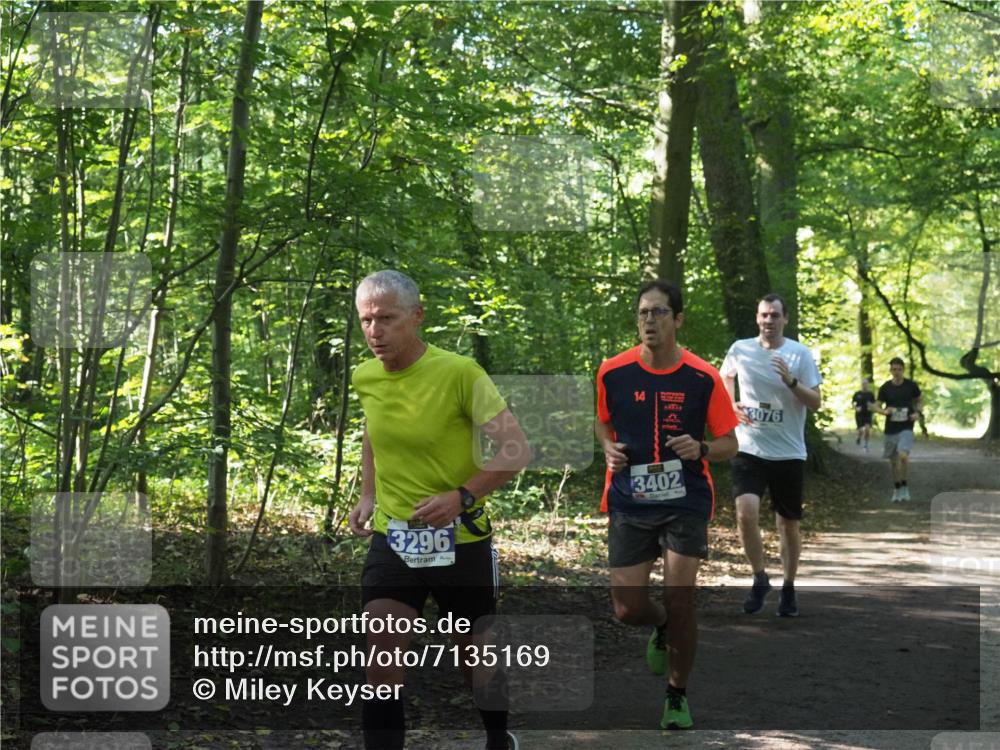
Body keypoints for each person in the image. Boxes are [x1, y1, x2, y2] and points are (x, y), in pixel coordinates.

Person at [348, 270, 531, 750]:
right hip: (395, 536)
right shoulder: (365, 376)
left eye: (386, 318)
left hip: (461, 539)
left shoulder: (459, 373)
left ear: (417, 316)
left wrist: (462, 496)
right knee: (381, 652)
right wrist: (368, 493)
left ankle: (497, 738)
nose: (374, 331)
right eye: (366, 320)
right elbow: (374, 430)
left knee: (475, 656)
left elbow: (515, 449)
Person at [596, 279, 738, 730]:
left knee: (682, 599)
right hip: (629, 500)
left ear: (677, 319)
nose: (648, 321)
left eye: (658, 313)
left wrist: (701, 448)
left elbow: (730, 444)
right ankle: (658, 625)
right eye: (642, 313)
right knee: (627, 609)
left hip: (686, 500)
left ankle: (676, 693)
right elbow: (603, 422)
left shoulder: (703, 377)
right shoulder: (612, 372)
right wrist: (607, 448)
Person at [720, 294, 822, 618]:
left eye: (775, 315)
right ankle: (760, 578)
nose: (769, 321)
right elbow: (725, 377)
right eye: (764, 315)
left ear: (785, 319)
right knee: (745, 513)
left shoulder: (799, 354)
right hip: (750, 447)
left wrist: (791, 382)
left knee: (787, 525)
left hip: (789, 453)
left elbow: (816, 402)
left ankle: (789, 586)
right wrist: (731, 404)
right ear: (757, 318)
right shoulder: (741, 348)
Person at [875, 357, 923, 503]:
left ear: (903, 370)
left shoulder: (911, 386)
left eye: (899, 369)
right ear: (890, 370)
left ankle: (905, 487)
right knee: (894, 462)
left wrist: (918, 413)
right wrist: (884, 412)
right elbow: (876, 406)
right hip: (890, 429)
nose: (897, 372)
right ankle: (897, 488)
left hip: (906, 426)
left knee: (903, 456)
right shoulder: (885, 388)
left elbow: (920, 400)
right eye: (894, 369)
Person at [851, 377, 876, 451]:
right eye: (863, 383)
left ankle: (865, 445)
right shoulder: (857, 394)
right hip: (859, 414)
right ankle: (859, 437)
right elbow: (853, 403)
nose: (864, 385)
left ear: (868, 384)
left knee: (867, 430)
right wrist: (856, 408)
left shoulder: (870, 394)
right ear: (861, 384)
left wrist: (871, 406)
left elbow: (874, 403)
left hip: (868, 414)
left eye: (866, 383)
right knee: (861, 431)